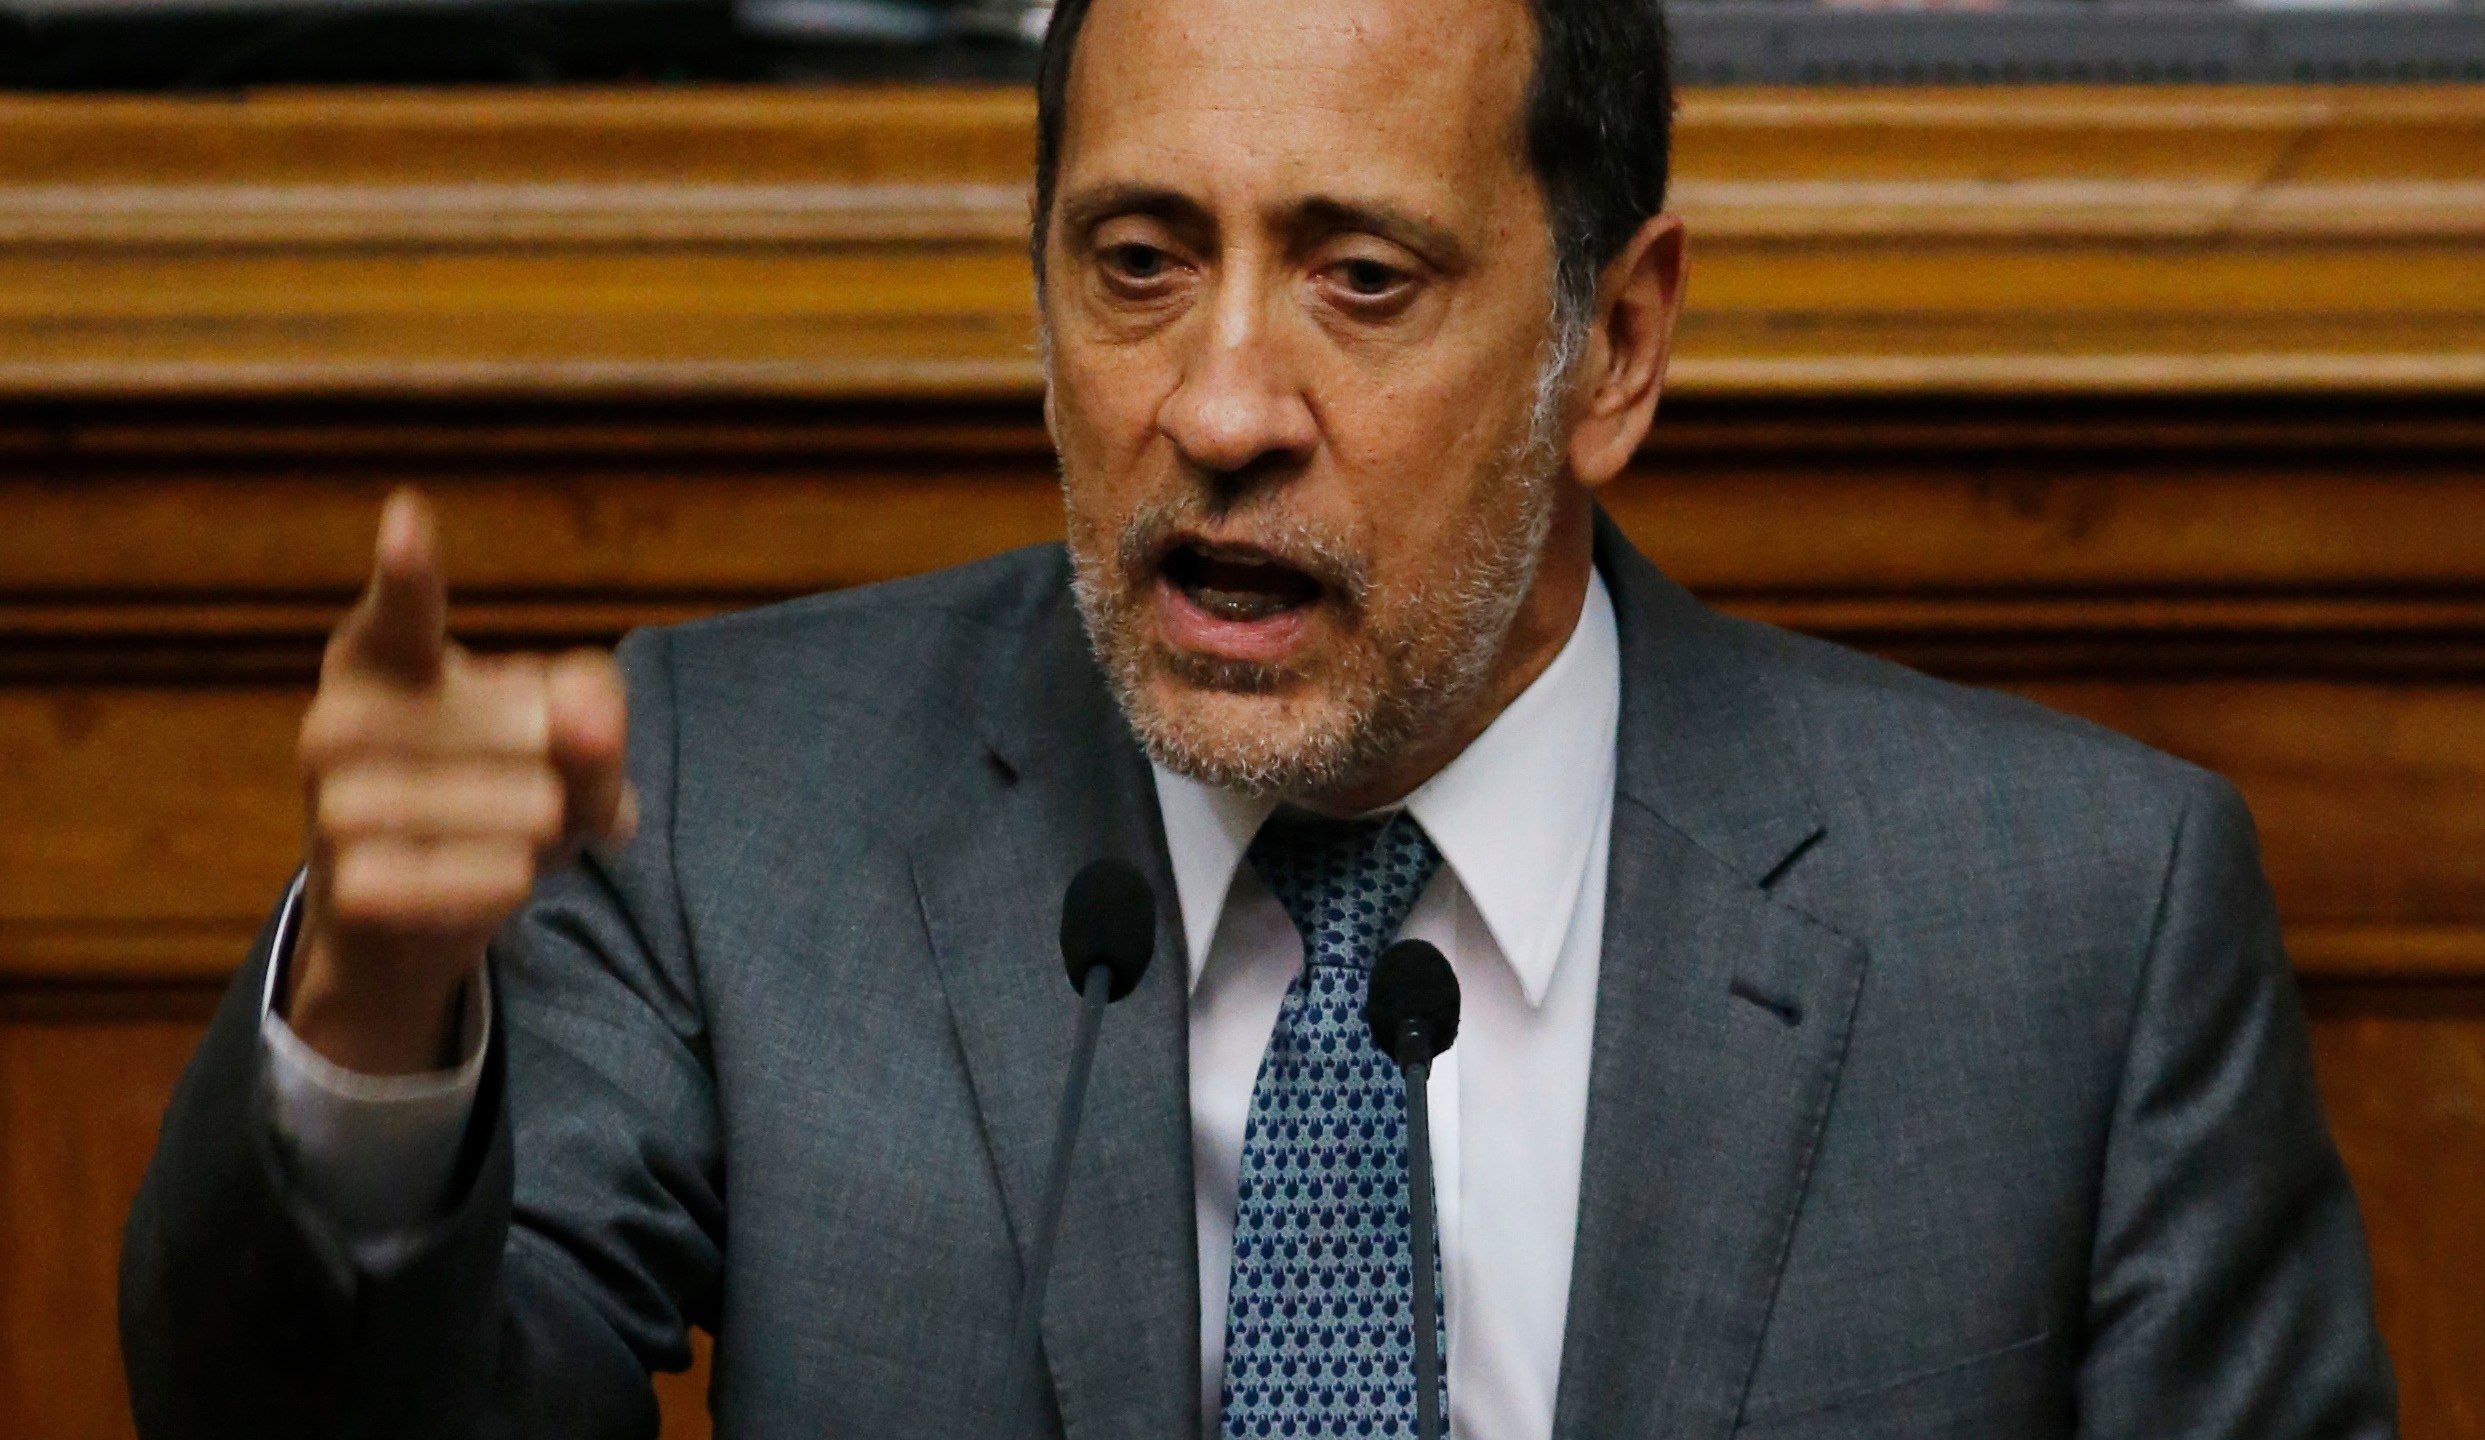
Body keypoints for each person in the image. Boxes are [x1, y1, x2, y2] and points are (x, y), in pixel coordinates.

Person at [119, 0, 2398, 1434]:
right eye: (1134, 263)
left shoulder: (2075, 932)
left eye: (1359, 278)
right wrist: (376, 1020)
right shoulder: (726, 809)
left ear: (1613, 345)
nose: (1216, 403)